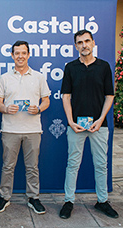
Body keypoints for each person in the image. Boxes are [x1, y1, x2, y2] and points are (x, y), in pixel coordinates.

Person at [59, 29, 118, 219]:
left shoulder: (104, 66)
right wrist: (70, 121)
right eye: (79, 42)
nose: (84, 45)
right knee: (72, 164)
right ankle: (69, 201)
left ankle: (102, 201)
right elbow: (66, 96)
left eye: (87, 41)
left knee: (101, 164)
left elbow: (109, 96)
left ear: (93, 43)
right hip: (76, 126)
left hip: (99, 126)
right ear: (75, 46)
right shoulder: (70, 67)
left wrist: (101, 120)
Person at [0, 41, 50, 214]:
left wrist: (39, 108)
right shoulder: (4, 78)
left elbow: (47, 100)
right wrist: (6, 109)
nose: (20, 56)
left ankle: (33, 198)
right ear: (12, 56)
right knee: (8, 166)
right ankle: (5, 197)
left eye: (23, 53)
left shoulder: (39, 77)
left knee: (32, 167)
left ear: (28, 55)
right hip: (10, 129)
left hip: (33, 129)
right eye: (17, 53)